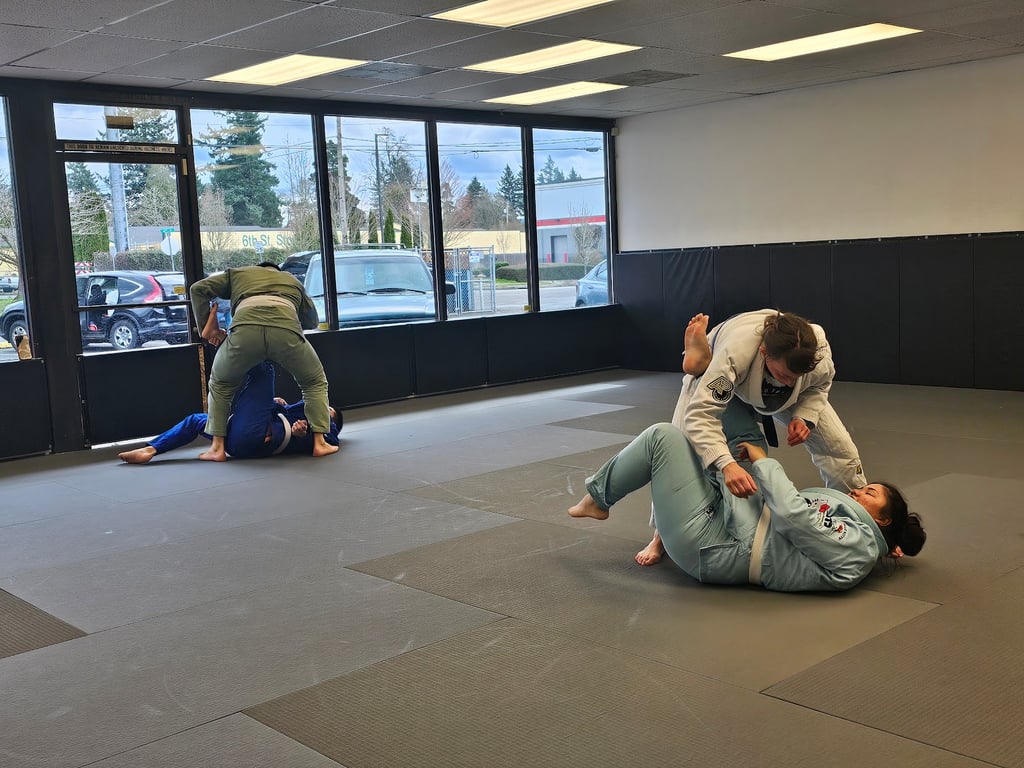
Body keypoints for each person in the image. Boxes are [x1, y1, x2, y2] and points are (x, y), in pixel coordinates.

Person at [568, 422, 926, 592]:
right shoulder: (854, 530)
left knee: (662, 437)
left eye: (871, 493)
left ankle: (597, 499)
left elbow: (795, 517)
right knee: (739, 418)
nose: (860, 490)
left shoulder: (857, 547)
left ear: (882, 520)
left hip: (712, 544)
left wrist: (763, 463)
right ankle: (707, 369)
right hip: (731, 515)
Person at [190, 262, 338, 461]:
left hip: (245, 330)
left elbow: (198, 289)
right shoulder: (292, 280)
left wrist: (204, 324)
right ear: (278, 272)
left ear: (257, 269)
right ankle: (320, 443)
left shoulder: (238, 274)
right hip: (286, 331)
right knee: (313, 383)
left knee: (221, 385)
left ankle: (216, 448)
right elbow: (312, 322)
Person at [118, 360, 340, 463]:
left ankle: (229, 343)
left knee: (265, 371)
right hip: (237, 441)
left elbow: (330, 439)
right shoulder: (301, 407)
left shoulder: (326, 427)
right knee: (195, 420)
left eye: (329, 409)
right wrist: (275, 404)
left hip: (256, 437)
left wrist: (304, 434)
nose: (325, 407)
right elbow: (276, 413)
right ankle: (151, 450)